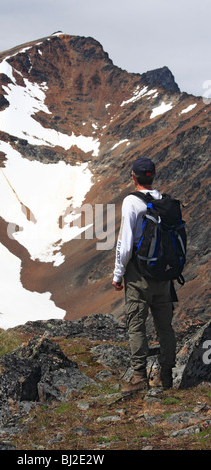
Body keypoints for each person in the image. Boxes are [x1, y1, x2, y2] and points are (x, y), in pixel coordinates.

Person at [112, 156, 176, 392]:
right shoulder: (163, 200)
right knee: (165, 327)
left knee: (136, 324)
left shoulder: (131, 201)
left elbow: (125, 243)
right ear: (153, 176)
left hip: (139, 276)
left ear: (133, 176)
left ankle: (138, 377)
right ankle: (166, 376)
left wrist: (118, 274)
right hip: (164, 276)